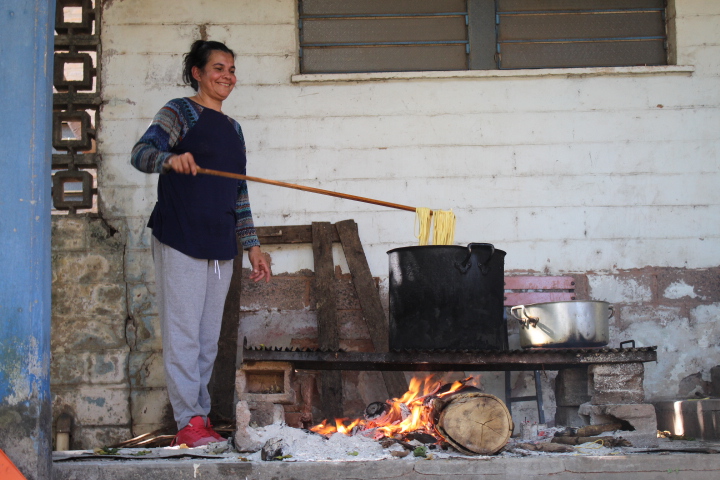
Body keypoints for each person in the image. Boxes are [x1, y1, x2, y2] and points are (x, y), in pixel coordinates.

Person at [131, 40, 271, 447]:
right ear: (197, 72)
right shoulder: (180, 112)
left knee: (208, 340)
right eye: (218, 68)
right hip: (181, 235)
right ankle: (187, 422)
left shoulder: (234, 129)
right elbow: (141, 153)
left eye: (232, 69)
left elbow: (239, 192)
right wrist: (168, 159)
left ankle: (201, 417)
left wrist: (252, 245)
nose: (227, 76)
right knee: (184, 335)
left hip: (220, 243)